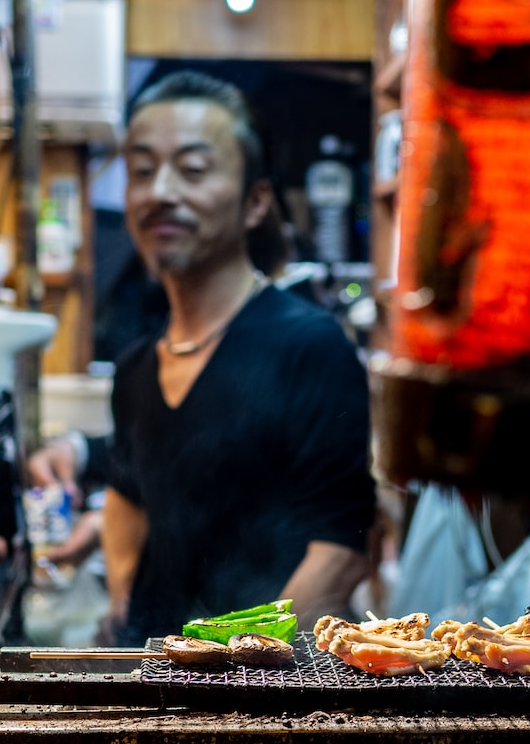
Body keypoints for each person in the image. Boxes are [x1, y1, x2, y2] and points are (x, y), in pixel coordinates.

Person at [27, 70, 376, 646]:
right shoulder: (139, 364)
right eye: (142, 170)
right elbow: (127, 498)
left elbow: (338, 556)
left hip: (261, 690)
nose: (161, 191)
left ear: (256, 200)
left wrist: (239, 668)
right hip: (155, 669)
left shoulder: (310, 347)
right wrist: (123, 603)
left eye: (192, 170)